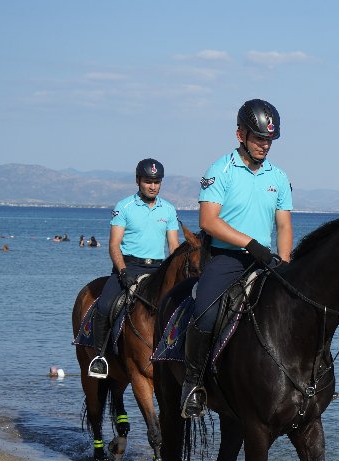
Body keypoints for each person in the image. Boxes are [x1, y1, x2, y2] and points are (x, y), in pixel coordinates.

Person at [180, 99, 294, 418]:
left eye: (269, 139)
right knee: (204, 314)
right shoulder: (220, 171)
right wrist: (251, 244)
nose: (264, 145)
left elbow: (284, 224)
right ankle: (192, 385)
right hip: (227, 260)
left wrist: (284, 260)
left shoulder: (279, 177)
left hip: (266, 261)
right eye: (259, 138)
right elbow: (208, 221)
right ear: (240, 134)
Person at [86, 158, 180, 378]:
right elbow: (114, 245)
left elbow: (174, 246)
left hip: (158, 270)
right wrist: (122, 272)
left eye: (157, 182)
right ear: (138, 181)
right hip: (128, 267)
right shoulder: (124, 207)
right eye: (148, 181)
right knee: (105, 306)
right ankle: (99, 357)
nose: (153, 186)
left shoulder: (168, 209)